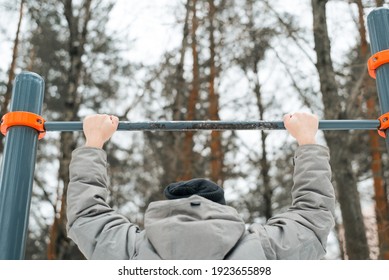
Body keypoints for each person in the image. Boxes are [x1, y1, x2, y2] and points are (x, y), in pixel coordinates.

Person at [66, 112, 335, 259]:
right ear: (221, 209)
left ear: (169, 208)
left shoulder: (134, 249)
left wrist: (94, 142)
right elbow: (313, 217)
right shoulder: (263, 248)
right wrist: (307, 140)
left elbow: (86, 216)